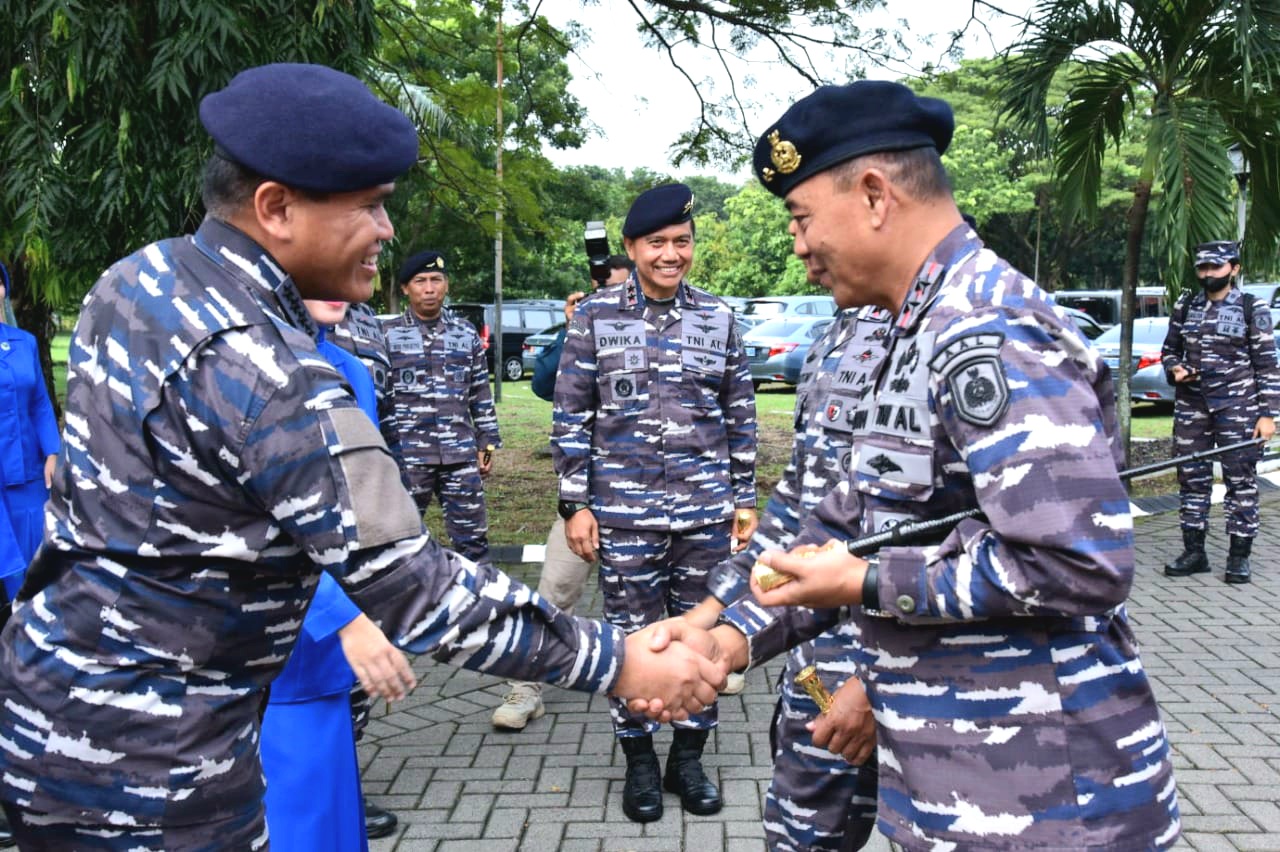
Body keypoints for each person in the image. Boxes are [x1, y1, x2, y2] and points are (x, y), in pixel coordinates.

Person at [0, 63, 726, 849]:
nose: (387, 231)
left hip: (56, 710)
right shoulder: (273, 373)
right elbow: (417, 588)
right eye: (370, 206)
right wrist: (616, 658)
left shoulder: (139, 280)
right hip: (158, 765)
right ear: (276, 207)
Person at [644, 80, 1181, 850]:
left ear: (873, 195)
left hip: (1050, 803)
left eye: (801, 218)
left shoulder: (988, 327)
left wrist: (867, 582)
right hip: (960, 782)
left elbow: (1080, 562)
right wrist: (722, 632)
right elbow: (845, 520)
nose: (797, 247)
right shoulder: (914, 329)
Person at [553, 183, 758, 823]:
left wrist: (745, 498)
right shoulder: (594, 317)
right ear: (632, 247)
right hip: (625, 516)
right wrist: (574, 504)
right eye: (657, 243)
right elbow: (571, 414)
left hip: (705, 514)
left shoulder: (718, 317)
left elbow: (740, 413)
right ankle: (639, 761)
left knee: (705, 637)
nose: (671, 254)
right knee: (632, 641)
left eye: (682, 242)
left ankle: (687, 759)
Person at [685, 303, 888, 852]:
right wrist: (712, 617)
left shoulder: (951, 337)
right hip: (814, 653)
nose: (803, 258)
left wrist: (873, 683)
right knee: (802, 834)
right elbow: (799, 510)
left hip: (904, 670)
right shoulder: (833, 336)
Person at [261, 298, 412, 851]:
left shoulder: (350, 370)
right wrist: (342, 616)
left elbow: (360, 500)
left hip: (328, 642)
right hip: (256, 642)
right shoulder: (240, 365)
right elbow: (252, 515)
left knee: (330, 819)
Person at [493, 254, 634, 731]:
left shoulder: (654, 332)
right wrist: (570, 328)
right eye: (605, 290)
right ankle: (526, 687)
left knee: (665, 599)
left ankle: (708, 666)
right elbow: (541, 384)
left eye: (622, 288)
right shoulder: (582, 331)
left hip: (651, 498)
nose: (615, 297)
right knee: (555, 591)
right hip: (587, 498)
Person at [1161, 240, 1279, 584]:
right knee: (1191, 479)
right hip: (1192, 406)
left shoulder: (1250, 307)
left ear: (1234, 269)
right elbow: (1169, 350)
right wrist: (1174, 369)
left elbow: (1267, 365)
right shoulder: (1186, 305)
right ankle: (1194, 553)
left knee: (1240, 480)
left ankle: (1239, 557)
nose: (1208, 273)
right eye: (1203, 268)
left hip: (1238, 407)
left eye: (1216, 267)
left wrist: (1268, 415)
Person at [327, 300, 401, 838]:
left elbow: (372, 457)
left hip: (348, 549)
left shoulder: (352, 364)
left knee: (348, 686)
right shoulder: (246, 353)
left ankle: (343, 785)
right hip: (264, 588)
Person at [380, 251, 500, 566]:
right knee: (399, 542)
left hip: (460, 457)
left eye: (436, 280)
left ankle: (477, 596)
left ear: (446, 285)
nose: (429, 288)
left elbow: (480, 392)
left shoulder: (465, 332)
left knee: (473, 545)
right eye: (420, 281)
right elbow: (378, 399)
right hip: (408, 459)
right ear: (406, 288)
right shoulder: (386, 336)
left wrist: (487, 444)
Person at [0, 263, 59, 601]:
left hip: (29, 471)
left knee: (37, 559)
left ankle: (31, 624)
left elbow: (39, 402)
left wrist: (52, 451)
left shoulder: (25, 343)